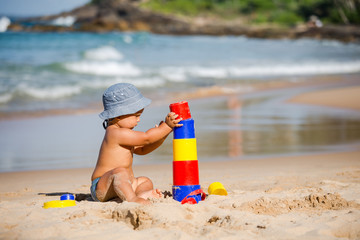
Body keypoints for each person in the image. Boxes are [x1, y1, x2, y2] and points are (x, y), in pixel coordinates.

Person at [91, 83, 182, 205]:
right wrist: (166, 127)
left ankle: (140, 195)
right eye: (136, 115)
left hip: (123, 184)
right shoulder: (115, 133)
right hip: (103, 186)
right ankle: (133, 199)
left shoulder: (125, 133)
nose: (139, 119)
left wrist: (162, 136)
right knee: (120, 171)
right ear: (118, 114)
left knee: (145, 181)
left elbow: (143, 149)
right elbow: (146, 138)